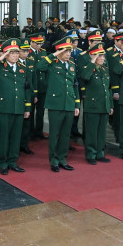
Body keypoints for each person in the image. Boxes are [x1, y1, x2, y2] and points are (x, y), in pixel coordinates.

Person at [0, 38, 33, 175]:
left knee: (16, 136)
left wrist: (27, 108)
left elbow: (27, 89)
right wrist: (0, 58)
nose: (16, 55)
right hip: (3, 107)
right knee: (4, 136)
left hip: (18, 107)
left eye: (17, 53)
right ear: (6, 54)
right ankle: (3, 162)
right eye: (12, 53)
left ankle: (12, 161)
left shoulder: (23, 69)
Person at [36, 37, 80, 172]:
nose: (69, 54)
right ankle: (54, 160)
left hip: (69, 103)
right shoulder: (52, 63)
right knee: (55, 134)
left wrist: (76, 104)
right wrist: (54, 54)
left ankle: (62, 158)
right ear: (59, 51)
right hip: (55, 104)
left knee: (66, 134)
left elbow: (74, 85)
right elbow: (40, 66)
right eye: (66, 51)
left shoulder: (72, 64)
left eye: (70, 51)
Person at [78, 42, 113, 164]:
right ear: (94, 57)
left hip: (104, 105)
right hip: (92, 105)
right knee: (92, 132)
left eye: (103, 56)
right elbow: (84, 77)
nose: (103, 58)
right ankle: (91, 154)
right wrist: (91, 62)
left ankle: (100, 153)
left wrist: (111, 104)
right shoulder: (89, 69)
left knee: (101, 132)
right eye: (100, 56)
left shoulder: (104, 70)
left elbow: (108, 88)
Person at [28, 34, 48, 140]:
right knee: (30, 111)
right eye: (37, 43)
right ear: (31, 42)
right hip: (31, 86)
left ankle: (39, 131)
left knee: (41, 111)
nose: (39, 45)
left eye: (41, 43)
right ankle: (30, 132)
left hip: (42, 85)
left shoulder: (43, 52)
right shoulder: (28, 52)